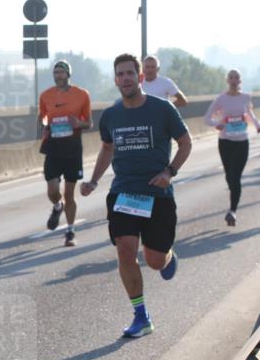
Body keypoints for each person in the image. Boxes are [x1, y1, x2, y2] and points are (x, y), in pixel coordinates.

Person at [80, 53, 192, 338]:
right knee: (125, 249)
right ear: (115, 80)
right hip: (124, 192)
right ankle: (141, 316)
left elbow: (185, 142)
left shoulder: (163, 109)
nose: (125, 78)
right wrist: (93, 180)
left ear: (140, 77)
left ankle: (167, 256)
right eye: (120, 74)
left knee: (154, 260)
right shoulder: (111, 115)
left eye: (130, 73)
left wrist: (169, 172)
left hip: (157, 193)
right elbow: (107, 148)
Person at [38, 59, 92, 246]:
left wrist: (78, 123)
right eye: (56, 72)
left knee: (69, 193)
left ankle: (70, 231)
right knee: (52, 190)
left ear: (68, 74)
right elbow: (42, 117)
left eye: (61, 72)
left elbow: (89, 123)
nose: (58, 75)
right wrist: (44, 125)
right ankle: (57, 206)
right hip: (53, 146)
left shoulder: (82, 95)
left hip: (72, 148)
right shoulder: (46, 96)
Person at [203, 69, 260, 226]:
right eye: (231, 77)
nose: (234, 80)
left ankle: (232, 211)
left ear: (240, 81)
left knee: (235, 177)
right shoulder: (221, 99)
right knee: (229, 176)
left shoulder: (246, 97)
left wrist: (257, 125)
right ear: (227, 80)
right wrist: (217, 124)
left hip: (242, 141)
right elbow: (207, 118)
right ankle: (233, 201)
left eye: (236, 77)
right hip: (225, 142)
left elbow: (249, 113)